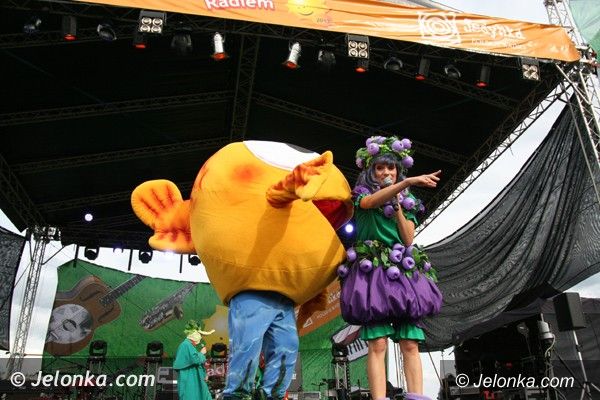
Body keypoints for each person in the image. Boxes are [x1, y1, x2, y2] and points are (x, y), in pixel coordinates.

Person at [338, 136, 444, 400]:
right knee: (377, 342)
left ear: (398, 170)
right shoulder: (361, 193)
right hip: (372, 271)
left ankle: (416, 397)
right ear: (370, 171)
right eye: (380, 168)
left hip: (402, 271)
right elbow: (369, 204)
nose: (386, 172)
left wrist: (398, 204)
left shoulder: (407, 200)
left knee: (410, 342)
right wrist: (405, 183)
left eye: (391, 168)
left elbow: (408, 239)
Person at [173, 320, 215, 400]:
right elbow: (195, 360)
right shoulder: (186, 345)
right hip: (190, 379)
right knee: (191, 396)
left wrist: (204, 374)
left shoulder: (189, 345)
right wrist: (201, 353)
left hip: (194, 378)